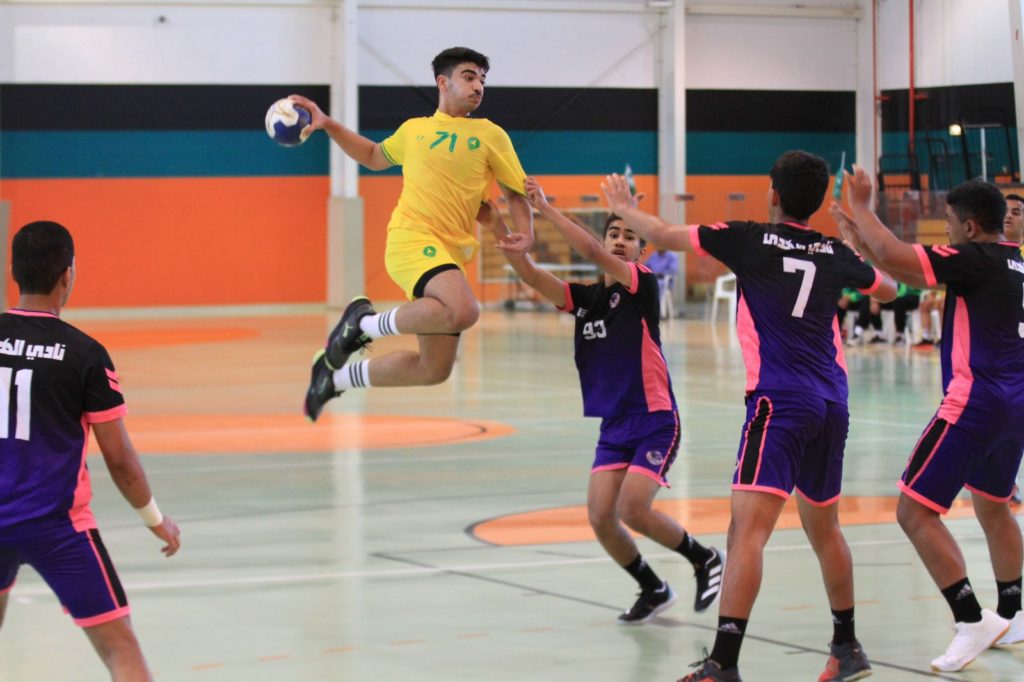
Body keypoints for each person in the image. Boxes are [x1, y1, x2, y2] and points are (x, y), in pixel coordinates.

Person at [603, 150, 897, 682]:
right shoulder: (832, 250)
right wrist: (854, 239)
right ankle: (847, 646)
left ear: (774, 194)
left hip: (778, 401)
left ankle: (723, 664)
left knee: (746, 533)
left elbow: (663, 235)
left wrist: (624, 207)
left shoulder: (749, 238)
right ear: (818, 201)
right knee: (825, 528)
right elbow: (891, 288)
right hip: (832, 404)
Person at [488, 178, 724, 625]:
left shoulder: (642, 285)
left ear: (641, 252)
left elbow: (592, 252)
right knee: (600, 515)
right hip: (615, 424)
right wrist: (501, 229)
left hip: (655, 418)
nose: (619, 240)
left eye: (629, 236)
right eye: (613, 233)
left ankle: (704, 557)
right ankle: (652, 587)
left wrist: (546, 209)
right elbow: (533, 276)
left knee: (632, 508)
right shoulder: (588, 300)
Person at [838, 170, 1024, 672]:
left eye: (948, 222)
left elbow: (899, 257)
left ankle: (971, 618)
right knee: (994, 505)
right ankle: (1013, 613)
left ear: (969, 227)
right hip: (1015, 402)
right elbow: (902, 268)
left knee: (914, 511)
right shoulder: (1015, 263)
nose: (945, 230)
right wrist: (863, 242)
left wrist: (863, 208)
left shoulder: (975, 258)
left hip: (976, 401)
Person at [293, 47, 534, 421]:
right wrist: (328, 124)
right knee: (464, 310)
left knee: (432, 370)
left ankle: (334, 378)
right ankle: (362, 325)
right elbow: (373, 155)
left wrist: (526, 233)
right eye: (469, 77)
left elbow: (516, 192)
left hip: (450, 254)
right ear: (443, 82)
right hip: (412, 237)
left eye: (483, 80)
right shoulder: (414, 130)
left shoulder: (491, 135)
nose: (478, 86)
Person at [0, 221, 181, 681]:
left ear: (13, 271)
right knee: (120, 650)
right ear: (68, 275)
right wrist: (155, 520)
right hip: (57, 528)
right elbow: (120, 461)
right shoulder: (84, 354)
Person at [645, 248, 680, 318]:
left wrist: (660, 273)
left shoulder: (673, 256)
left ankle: (659, 312)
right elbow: (646, 267)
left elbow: (673, 270)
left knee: (658, 284)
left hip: (665, 281)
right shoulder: (654, 255)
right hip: (652, 278)